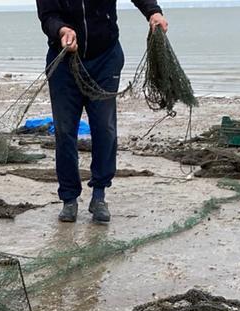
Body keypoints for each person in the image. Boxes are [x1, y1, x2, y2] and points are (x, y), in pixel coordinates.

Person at [36, 0, 169, 224]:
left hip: (105, 58)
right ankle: (69, 199)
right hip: (64, 61)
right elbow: (48, 16)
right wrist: (62, 30)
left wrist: (153, 12)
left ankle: (99, 194)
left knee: (105, 128)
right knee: (64, 130)